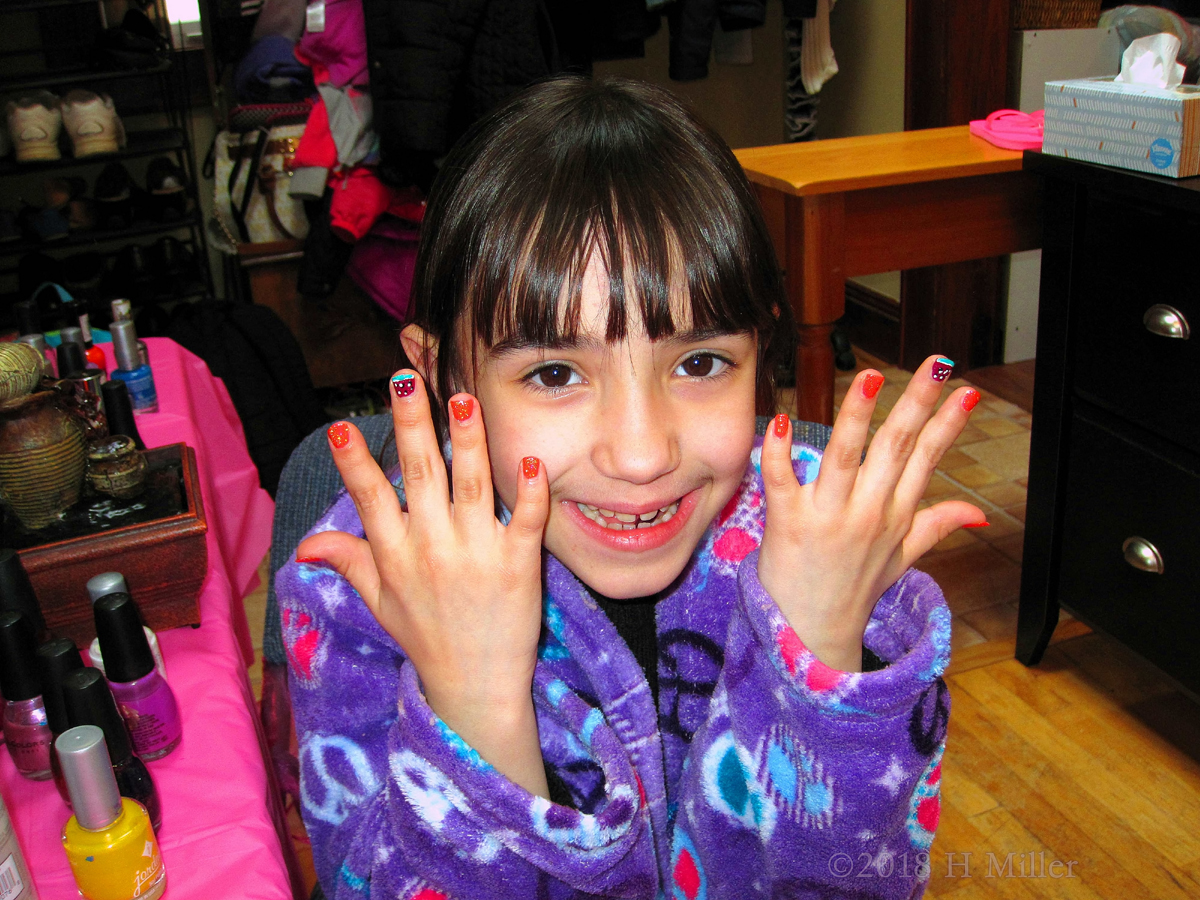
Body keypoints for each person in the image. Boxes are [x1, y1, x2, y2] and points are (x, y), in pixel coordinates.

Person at [275, 75, 984, 900]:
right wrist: (473, 708)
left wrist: (815, 659)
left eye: (700, 362)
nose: (643, 454)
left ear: (765, 355)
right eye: (552, 372)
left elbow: (857, 882)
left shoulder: (835, 542)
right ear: (440, 375)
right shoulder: (363, 593)